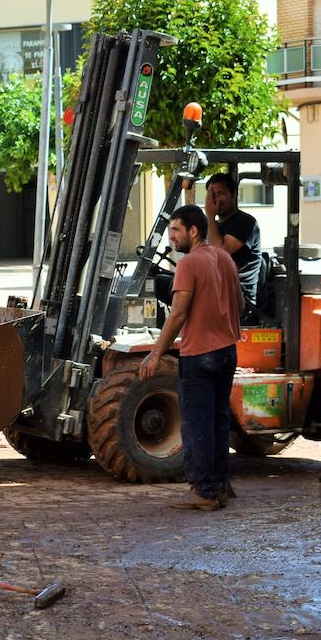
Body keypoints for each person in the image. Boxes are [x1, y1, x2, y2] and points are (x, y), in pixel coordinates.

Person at [139, 205, 242, 511]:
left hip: (200, 354)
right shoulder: (224, 257)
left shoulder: (188, 264)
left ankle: (204, 492)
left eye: (176, 230)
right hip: (227, 351)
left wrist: (156, 352)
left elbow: (179, 312)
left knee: (197, 424)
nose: (171, 237)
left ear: (193, 231)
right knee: (219, 421)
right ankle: (220, 485)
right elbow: (239, 300)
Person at [204, 172, 264, 314]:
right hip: (216, 288)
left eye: (221, 193)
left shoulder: (245, 222)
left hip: (238, 296)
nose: (216, 200)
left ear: (234, 194)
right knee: (161, 283)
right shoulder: (212, 227)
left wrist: (210, 216)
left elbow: (220, 252)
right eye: (212, 195)